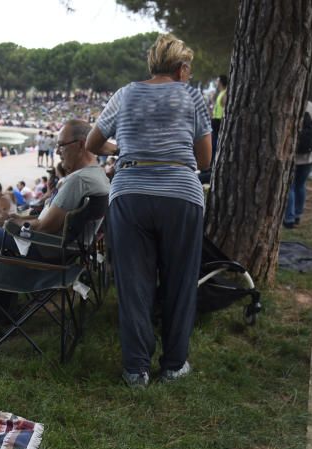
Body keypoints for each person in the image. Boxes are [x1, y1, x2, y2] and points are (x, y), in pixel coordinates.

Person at [86, 34, 211, 387]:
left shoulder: (125, 94)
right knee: (180, 282)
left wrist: (123, 147)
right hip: (181, 194)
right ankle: (174, 364)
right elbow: (204, 159)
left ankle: (136, 368)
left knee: (133, 283)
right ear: (181, 67)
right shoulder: (192, 96)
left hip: (130, 192)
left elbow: (92, 143)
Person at [0, 119, 110, 325]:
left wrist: (13, 224)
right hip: (67, 250)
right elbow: (49, 220)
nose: (57, 151)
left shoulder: (79, 181)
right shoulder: (97, 175)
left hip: (46, 250)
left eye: (61, 145)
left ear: (81, 144)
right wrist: (18, 219)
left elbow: (46, 226)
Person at [284, 99, 312, 228]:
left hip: (291, 153)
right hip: (309, 154)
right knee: (300, 185)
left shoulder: (288, 102)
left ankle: (289, 219)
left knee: (289, 186)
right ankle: (297, 215)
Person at [212, 74, 228, 156]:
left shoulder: (225, 93)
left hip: (219, 121)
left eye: (217, 81)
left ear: (221, 82)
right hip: (216, 120)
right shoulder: (221, 93)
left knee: (215, 144)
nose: (216, 83)